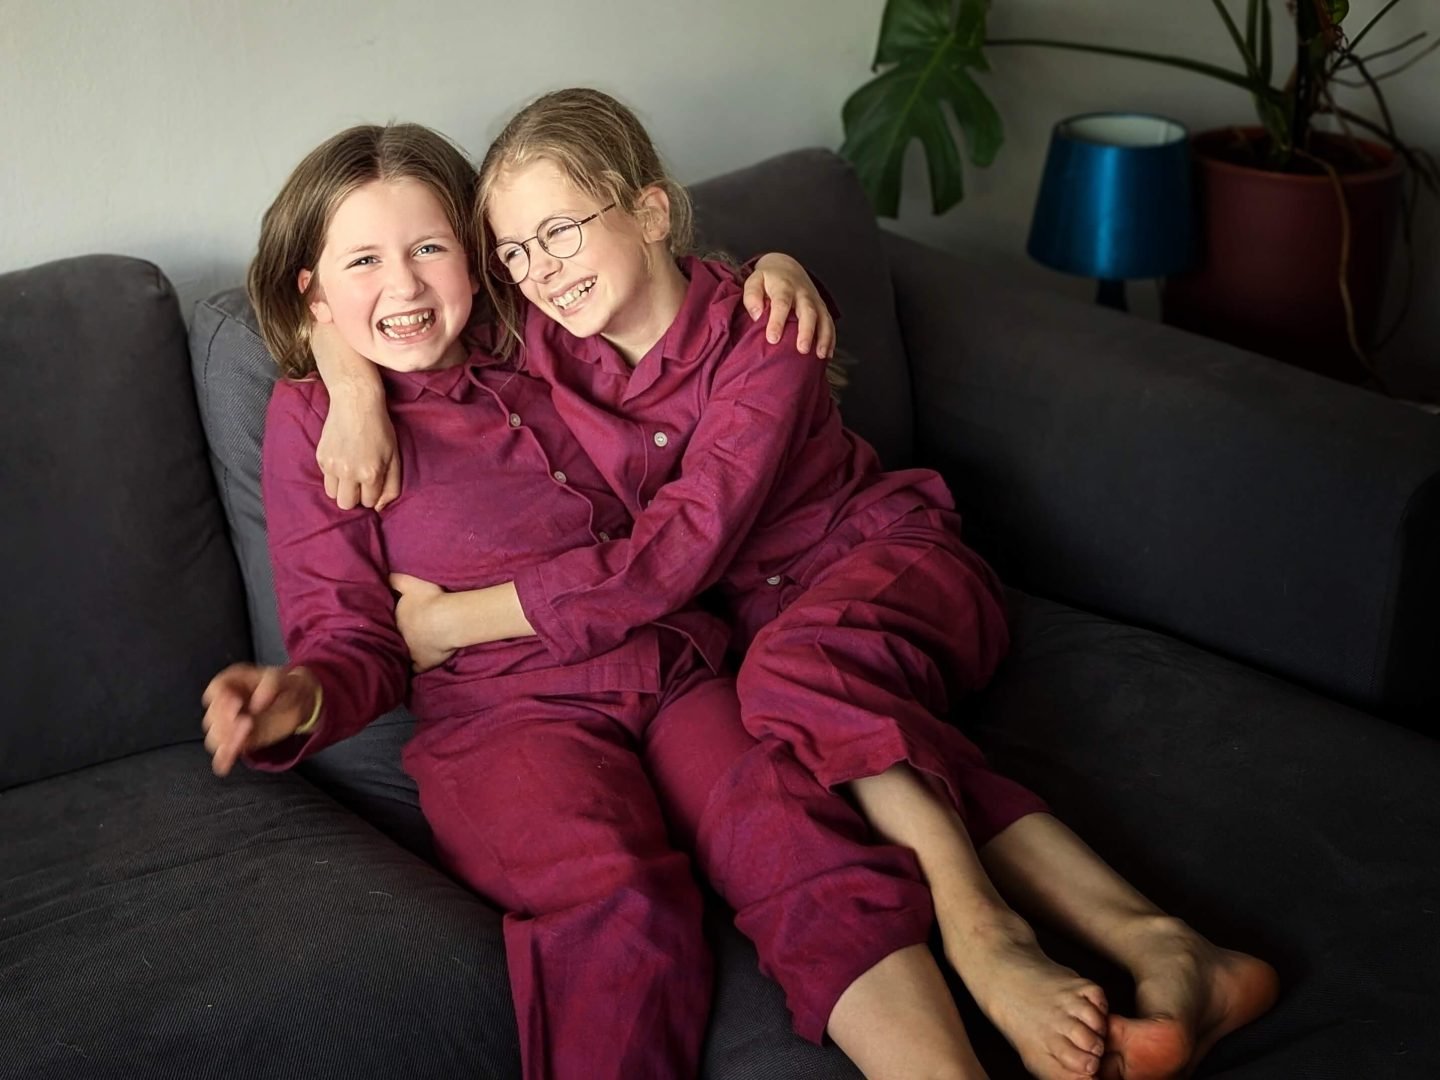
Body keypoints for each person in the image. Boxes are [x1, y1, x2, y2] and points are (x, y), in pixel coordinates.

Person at [313, 91, 1280, 1080]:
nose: (540, 269)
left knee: (792, 684)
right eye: (514, 251)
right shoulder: (548, 333)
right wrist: (347, 390)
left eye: (559, 230)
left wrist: (447, 623)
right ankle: (1175, 950)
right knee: (843, 744)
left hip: (891, 566)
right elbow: (390, 299)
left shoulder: (765, 337)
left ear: (650, 209)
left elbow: (673, 558)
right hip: (771, 636)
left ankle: (985, 939)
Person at [200, 121, 990, 1080]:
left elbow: (653, 291)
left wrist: (775, 266)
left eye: (430, 249)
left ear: (480, 258)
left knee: (800, 839)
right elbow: (353, 636)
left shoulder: (547, 331)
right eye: (363, 260)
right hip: (504, 721)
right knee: (620, 901)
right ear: (313, 291)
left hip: (672, 666)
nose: (404, 286)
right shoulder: (317, 425)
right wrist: (303, 695)